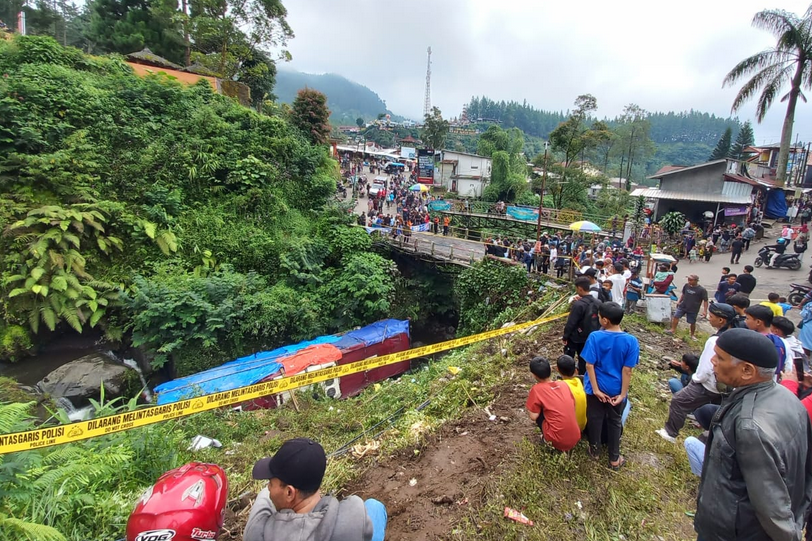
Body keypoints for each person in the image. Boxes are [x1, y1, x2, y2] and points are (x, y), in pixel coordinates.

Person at [694, 329, 812, 541]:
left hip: (735, 533)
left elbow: (771, 505)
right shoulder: (789, 399)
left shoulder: (749, 426)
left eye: (720, 358)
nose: (712, 361)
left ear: (747, 370)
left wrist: (791, 535)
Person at [245, 438, 387, 541]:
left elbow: (262, 505)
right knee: (374, 506)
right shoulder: (354, 517)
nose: (268, 488)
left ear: (289, 493)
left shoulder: (260, 533)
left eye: (270, 483)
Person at [655, 302, 734, 444]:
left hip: (707, 384)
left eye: (711, 316)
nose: (709, 318)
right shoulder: (733, 336)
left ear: (721, 320)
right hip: (725, 386)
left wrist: (696, 379)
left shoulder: (714, 341)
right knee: (719, 411)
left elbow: (706, 367)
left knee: (679, 400)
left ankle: (670, 432)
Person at [581, 302, 640, 470]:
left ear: (605, 320)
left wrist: (596, 390)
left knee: (594, 418)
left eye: (599, 316)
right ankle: (614, 458)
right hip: (616, 390)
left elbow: (589, 365)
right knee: (615, 421)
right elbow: (627, 370)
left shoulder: (595, 337)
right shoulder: (631, 341)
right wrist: (622, 394)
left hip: (596, 388)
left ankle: (595, 450)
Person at [525, 357, 581, 452]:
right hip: (576, 436)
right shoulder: (564, 384)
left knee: (538, 413)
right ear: (551, 369)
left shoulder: (536, 389)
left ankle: (548, 440)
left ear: (533, 375)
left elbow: (533, 416)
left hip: (557, 441)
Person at [562, 277, 601, 376]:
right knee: (584, 359)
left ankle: (568, 375)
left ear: (580, 288)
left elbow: (572, 322)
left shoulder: (579, 305)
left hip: (575, 337)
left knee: (569, 357)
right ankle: (583, 377)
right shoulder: (598, 303)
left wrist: (565, 336)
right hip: (590, 336)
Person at [667, 274, 709, 341]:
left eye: (691, 280)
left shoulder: (701, 290)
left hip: (693, 308)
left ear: (696, 281)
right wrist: (679, 301)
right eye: (688, 280)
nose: (689, 281)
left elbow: (705, 300)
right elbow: (683, 294)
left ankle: (692, 335)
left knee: (692, 322)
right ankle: (673, 329)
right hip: (683, 305)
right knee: (676, 316)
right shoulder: (686, 286)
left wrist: (705, 311)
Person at [556, 354, 587, 432]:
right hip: (583, 426)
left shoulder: (558, 386)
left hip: (569, 429)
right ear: (576, 370)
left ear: (558, 370)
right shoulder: (580, 381)